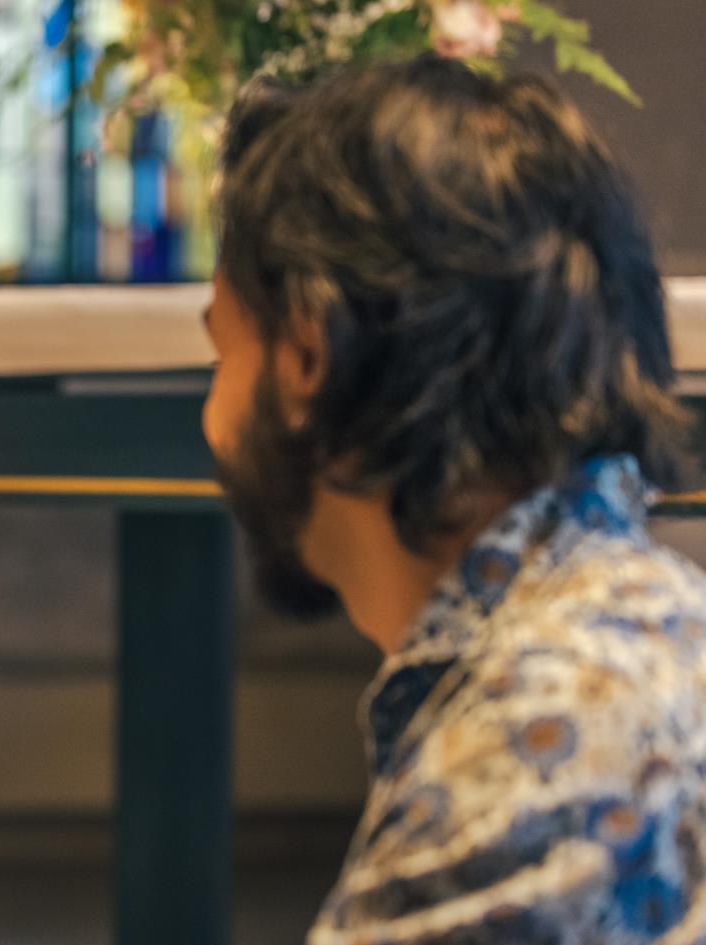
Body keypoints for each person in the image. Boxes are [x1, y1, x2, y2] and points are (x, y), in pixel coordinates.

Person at [204, 55, 706, 943]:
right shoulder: (651, 624)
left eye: (223, 348)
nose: (210, 415)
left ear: (307, 359)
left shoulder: (532, 759)